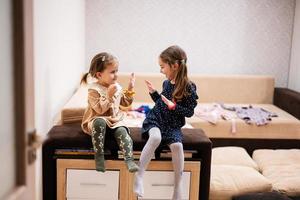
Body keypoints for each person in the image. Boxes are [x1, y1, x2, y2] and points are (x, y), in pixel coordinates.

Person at [134, 45, 198, 199]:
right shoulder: (166, 83)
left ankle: (178, 188)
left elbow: (189, 112)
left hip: (172, 124)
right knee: (155, 138)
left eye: (162, 67)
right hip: (156, 119)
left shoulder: (189, 87)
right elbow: (162, 103)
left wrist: (174, 106)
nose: (161, 71)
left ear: (175, 66)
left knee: (177, 146)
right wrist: (154, 93)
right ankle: (139, 176)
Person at [81, 52, 139, 173]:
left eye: (116, 71)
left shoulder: (116, 86)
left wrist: (130, 89)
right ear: (99, 74)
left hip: (114, 120)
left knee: (122, 131)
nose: (116, 75)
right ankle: (99, 156)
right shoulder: (93, 90)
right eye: (112, 72)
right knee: (99, 122)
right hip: (96, 119)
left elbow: (125, 103)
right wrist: (108, 96)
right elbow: (99, 110)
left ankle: (129, 159)